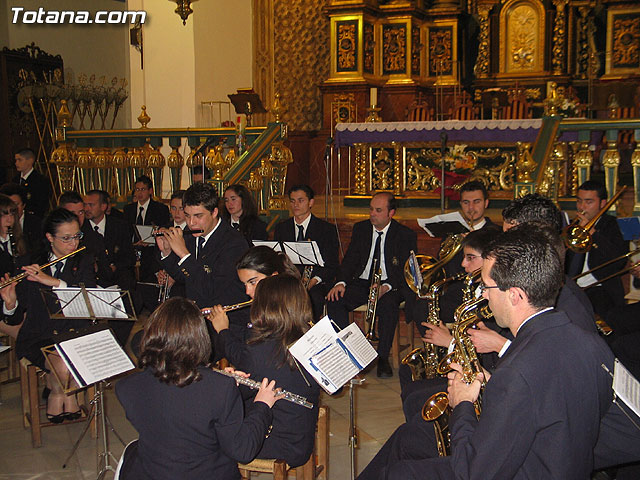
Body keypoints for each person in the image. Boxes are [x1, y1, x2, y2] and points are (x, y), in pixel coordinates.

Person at [358, 224, 615, 480]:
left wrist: (463, 403)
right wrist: (490, 382)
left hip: (522, 470)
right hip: (555, 462)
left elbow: (471, 472)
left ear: (514, 295)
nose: (483, 295)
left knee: (396, 474)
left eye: (487, 287)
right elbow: (549, 401)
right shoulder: (591, 343)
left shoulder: (517, 372)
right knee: (407, 439)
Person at [115, 297, 281, 480]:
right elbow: (243, 451)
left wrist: (216, 378)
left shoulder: (125, 387)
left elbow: (174, 402)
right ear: (199, 337)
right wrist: (262, 405)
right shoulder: (220, 388)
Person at [207, 275, 320, 468]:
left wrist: (229, 381)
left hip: (275, 441)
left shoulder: (261, 350)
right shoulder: (313, 339)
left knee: (208, 435)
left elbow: (235, 399)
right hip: (301, 436)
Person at [1, 208, 97, 422]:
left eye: (76, 236)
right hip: (39, 335)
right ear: (50, 238)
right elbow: (15, 317)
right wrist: (10, 303)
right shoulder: (28, 262)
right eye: (66, 238)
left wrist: (54, 282)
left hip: (75, 333)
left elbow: (87, 300)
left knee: (65, 362)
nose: (73, 244)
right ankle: (64, 393)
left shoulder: (83, 260)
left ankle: (57, 392)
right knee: (63, 366)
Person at [326, 192, 416, 378]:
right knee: (335, 300)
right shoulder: (361, 229)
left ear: (391, 213)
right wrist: (341, 282)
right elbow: (350, 260)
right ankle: (348, 353)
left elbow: (405, 271)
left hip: (391, 284)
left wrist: (386, 286)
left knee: (388, 304)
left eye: (378, 210)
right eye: (371, 209)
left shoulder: (405, 234)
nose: (372, 214)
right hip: (362, 281)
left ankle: (382, 357)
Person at [156, 182, 250, 354]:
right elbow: (185, 277)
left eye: (198, 216)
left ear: (214, 212)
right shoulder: (194, 236)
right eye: (187, 215)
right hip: (197, 317)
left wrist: (184, 254)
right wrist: (168, 253)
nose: (191, 223)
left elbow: (212, 289)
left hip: (226, 320)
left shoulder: (233, 243)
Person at [274, 185, 340, 320]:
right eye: (292, 201)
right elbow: (278, 260)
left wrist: (313, 281)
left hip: (316, 283)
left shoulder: (326, 229)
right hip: (289, 282)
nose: (295, 205)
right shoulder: (282, 228)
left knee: (312, 299)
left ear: (311, 203)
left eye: (300, 200)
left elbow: (332, 265)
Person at [565, 180, 627, 316]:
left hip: (600, 289)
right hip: (572, 288)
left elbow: (619, 261)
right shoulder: (570, 226)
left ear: (602, 203)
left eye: (588, 202)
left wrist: (593, 234)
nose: (582, 207)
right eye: (579, 201)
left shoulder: (614, 225)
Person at [124, 175, 170, 284]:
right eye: (137, 189)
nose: (139, 193)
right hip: (133, 250)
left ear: (150, 191)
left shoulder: (160, 209)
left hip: (151, 251)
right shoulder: (128, 209)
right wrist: (134, 243)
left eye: (143, 189)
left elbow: (163, 229)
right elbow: (126, 232)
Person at [0, 194, 28, 338]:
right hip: (2, 303)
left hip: (18, 299)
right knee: (23, 334)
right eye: (3, 215)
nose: (9, 219)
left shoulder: (22, 242)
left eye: (12, 213)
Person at [1, 183, 43, 255]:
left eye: (15, 204)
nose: (9, 220)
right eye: (5, 213)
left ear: (24, 205)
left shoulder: (37, 223)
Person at [11, 148, 51, 218]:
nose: (16, 163)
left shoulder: (41, 181)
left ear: (30, 161)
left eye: (20, 160)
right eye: (16, 160)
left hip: (33, 218)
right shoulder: (15, 180)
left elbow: (41, 204)